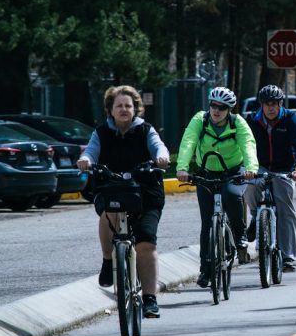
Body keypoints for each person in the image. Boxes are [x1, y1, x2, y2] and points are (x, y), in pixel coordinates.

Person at [77, 85, 170, 319]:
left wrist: (162, 158)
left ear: (135, 109)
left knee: (146, 244)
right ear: (110, 109)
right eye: (119, 105)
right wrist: (85, 160)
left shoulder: (145, 130)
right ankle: (108, 260)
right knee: (109, 211)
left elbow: (159, 146)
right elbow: (91, 151)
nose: (124, 109)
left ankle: (150, 299)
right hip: (112, 189)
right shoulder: (101, 132)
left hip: (146, 193)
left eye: (128, 105)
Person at [176, 87, 258, 288]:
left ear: (229, 109)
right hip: (206, 173)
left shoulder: (237, 123)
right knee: (207, 223)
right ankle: (205, 270)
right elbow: (188, 141)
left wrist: (251, 168)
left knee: (231, 195)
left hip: (232, 171)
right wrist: (182, 167)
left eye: (222, 107)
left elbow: (248, 144)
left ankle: (240, 236)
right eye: (213, 105)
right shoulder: (200, 120)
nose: (216, 110)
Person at [244, 84, 296, 272]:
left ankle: (287, 257)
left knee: (285, 210)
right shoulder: (252, 120)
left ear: (280, 104)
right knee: (250, 186)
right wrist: (247, 168)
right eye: (267, 104)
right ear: (261, 105)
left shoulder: (289, 118)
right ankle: (256, 216)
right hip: (260, 166)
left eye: (275, 104)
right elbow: (246, 145)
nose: (271, 108)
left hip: (284, 168)